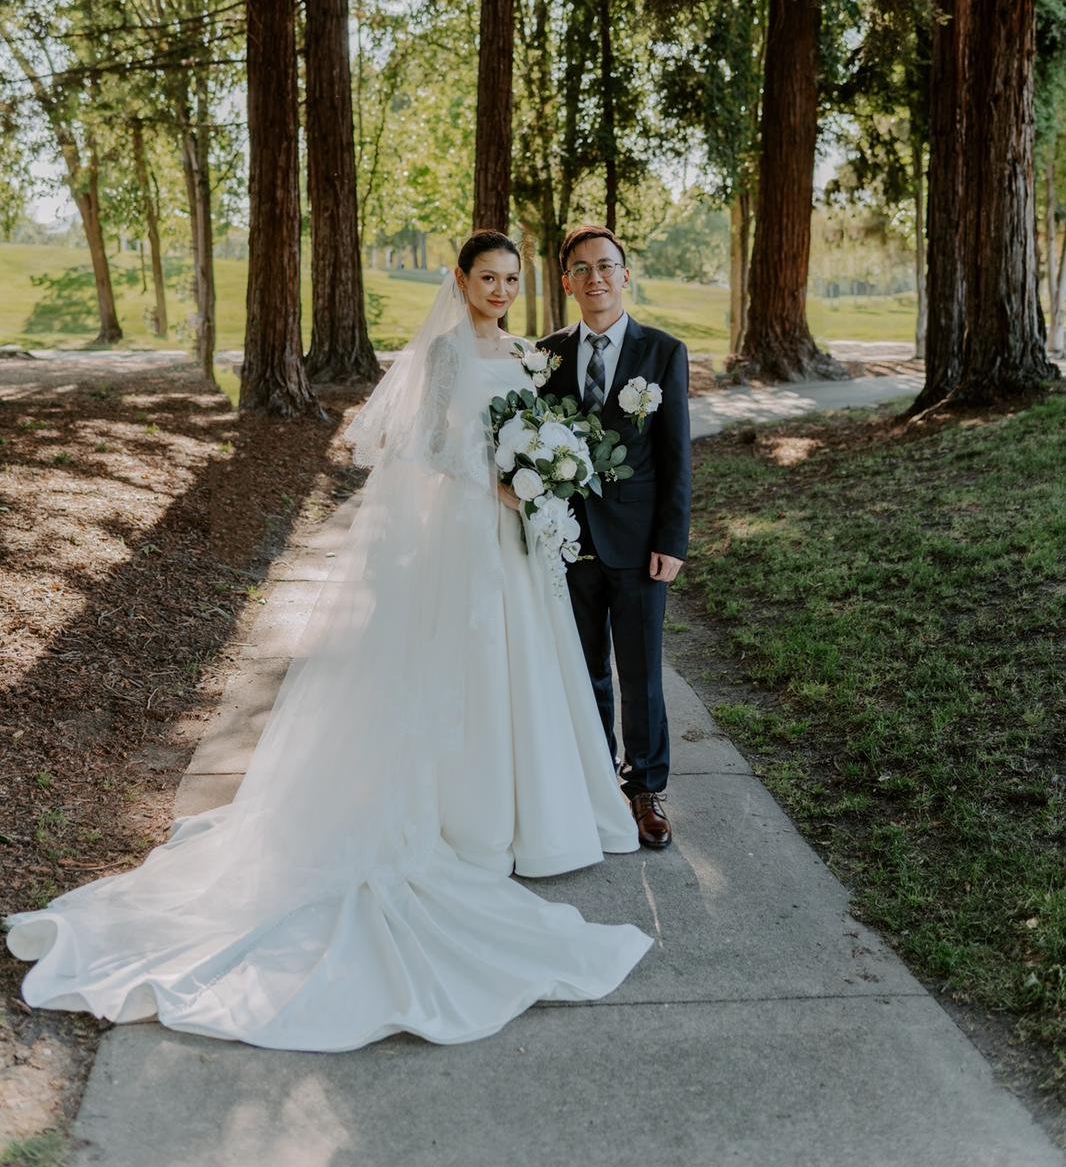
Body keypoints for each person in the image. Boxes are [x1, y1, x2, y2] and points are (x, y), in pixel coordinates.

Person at [5, 231, 651, 1052]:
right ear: (460, 280)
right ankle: (475, 824)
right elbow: (431, 445)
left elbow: (536, 425)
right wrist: (505, 477)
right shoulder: (448, 352)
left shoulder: (526, 353)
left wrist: (541, 472)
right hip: (470, 527)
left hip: (517, 535)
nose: (501, 290)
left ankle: (543, 818)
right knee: (472, 666)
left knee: (528, 665)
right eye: (488, 277)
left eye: (512, 279)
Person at [540, 226, 692, 851]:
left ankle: (646, 788)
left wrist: (672, 540)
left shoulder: (663, 352)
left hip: (638, 543)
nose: (595, 277)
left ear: (625, 276)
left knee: (641, 672)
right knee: (583, 670)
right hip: (568, 541)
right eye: (582, 268)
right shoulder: (545, 355)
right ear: (567, 281)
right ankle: (598, 779)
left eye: (607, 266)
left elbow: (676, 454)